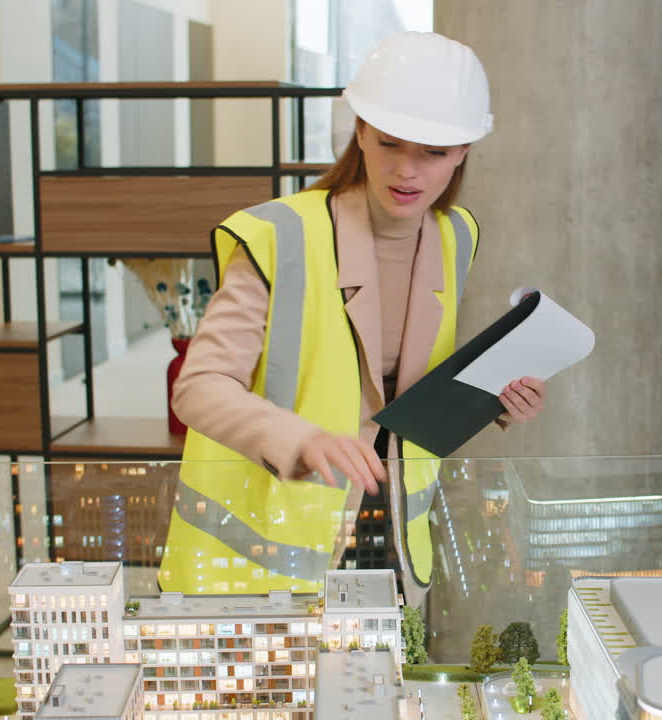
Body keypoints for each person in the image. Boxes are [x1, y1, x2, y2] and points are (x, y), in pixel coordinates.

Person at [159, 32, 546, 600]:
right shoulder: (278, 235)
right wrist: (301, 438)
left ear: (463, 150)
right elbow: (198, 387)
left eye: (433, 153)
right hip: (265, 557)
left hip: (392, 535)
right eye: (391, 143)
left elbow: (406, 389)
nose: (407, 171)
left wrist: (495, 399)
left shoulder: (456, 234)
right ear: (360, 130)